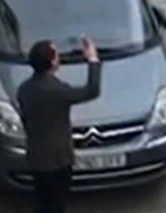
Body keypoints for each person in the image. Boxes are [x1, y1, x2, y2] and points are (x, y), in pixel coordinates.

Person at [16, 37, 102, 213]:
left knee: (43, 199)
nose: (59, 58)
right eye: (56, 55)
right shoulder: (58, 91)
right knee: (56, 202)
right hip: (58, 160)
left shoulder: (25, 89)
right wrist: (92, 59)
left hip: (37, 156)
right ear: (51, 62)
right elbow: (92, 90)